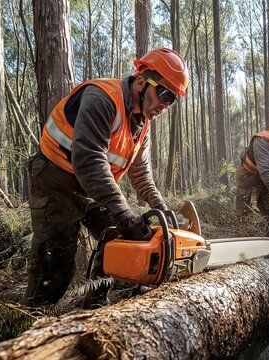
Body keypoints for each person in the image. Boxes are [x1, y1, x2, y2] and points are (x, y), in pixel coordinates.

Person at [25, 48, 189, 307]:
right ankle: (31, 320)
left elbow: (140, 172)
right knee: (55, 260)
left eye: (172, 100)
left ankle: (95, 304)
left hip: (95, 186)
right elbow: (89, 158)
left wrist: (161, 208)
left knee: (121, 241)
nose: (165, 105)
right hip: (57, 178)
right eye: (165, 94)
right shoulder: (102, 98)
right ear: (142, 81)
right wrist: (122, 210)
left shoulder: (142, 123)